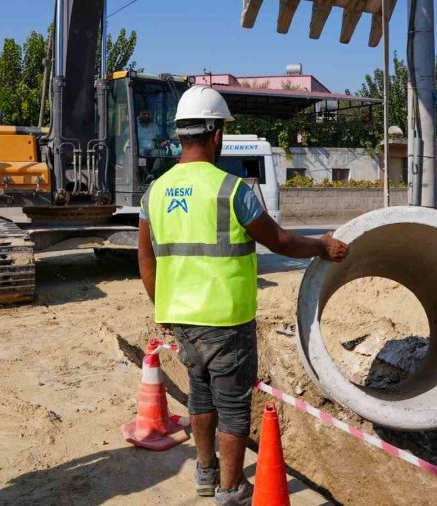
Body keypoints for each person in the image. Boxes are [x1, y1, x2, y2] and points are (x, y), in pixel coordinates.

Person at [137, 85, 348, 506]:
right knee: (233, 408)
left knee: (200, 395)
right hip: (227, 321)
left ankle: (205, 473)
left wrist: (163, 307)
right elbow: (280, 241)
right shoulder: (232, 190)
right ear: (216, 134)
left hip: (182, 319)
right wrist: (321, 246)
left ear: (180, 133)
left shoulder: (154, 192)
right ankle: (231, 490)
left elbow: (146, 260)